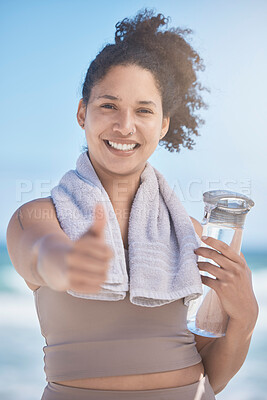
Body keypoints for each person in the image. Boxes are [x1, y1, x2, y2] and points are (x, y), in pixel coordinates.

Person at [6, 8, 258, 400]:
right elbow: (42, 255)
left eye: (143, 110)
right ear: (81, 113)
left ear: (163, 125)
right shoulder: (39, 217)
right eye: (108, 106)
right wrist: (67, 264)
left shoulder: (186, 231)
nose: (125, 126)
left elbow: (214, 378)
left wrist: (245, 316)